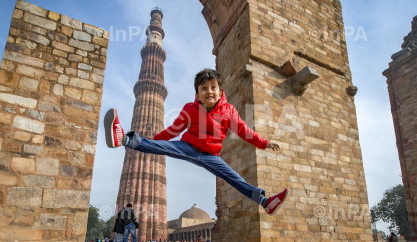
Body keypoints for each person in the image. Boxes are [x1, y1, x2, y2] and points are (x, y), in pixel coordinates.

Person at [104, 69, 289, 216]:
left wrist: (264, 143)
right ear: (197, 93)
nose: (209, 91)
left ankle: (265, 202)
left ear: (220, 91)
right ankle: (124, 138)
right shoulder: (190, 109)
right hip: (189, 147)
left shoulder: (229, 111)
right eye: (204, 88)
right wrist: (155, 141)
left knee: (234, 178)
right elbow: (174, 130)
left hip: (210, 155)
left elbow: (244, 131)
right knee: (162, 148)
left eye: (213, 87)